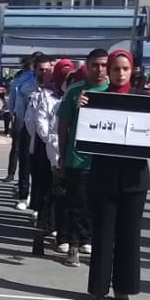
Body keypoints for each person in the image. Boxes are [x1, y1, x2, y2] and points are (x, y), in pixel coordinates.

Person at [77, 50, 150, 300]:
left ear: (132, 70)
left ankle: (123, 288)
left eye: (125, 68)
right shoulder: (95, 99)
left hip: (134, 179)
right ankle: (99, 287)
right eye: (115, 68)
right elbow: (83, 132)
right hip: (104, 176)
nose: (120, 73)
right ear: (109, 71)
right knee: (103, 233)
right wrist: (82, 109)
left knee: (130, 235)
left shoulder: (144, 99)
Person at [56, 55, 105, 267]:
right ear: (88, 66)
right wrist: (62, 156)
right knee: (77, 203)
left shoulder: (115, 91)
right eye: (95, 65)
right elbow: (62, 126)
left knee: (99, 206)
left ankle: (89, 239)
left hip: (104, 161)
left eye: (104, 65)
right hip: (78, 158)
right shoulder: (75, 91)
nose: (100, 69)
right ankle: (73, 245)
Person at [22, 55, 60, 256]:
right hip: (41, 143)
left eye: (49, 69)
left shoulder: (66, 95)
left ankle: (61, 229)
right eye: (41, 69)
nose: (45, 73)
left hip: (61, 149)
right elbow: (32, 119)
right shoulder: (29, 89)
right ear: (35, 70)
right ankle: (42, 223)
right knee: (42, 184)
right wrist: (49, 141)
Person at [4, 54, 41, 210]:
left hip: (41, 129)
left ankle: (31, 195)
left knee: (35, 162)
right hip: (25, 124)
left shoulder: (50, 84)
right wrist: (15, 119)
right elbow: (15, 103)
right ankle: (24, 193)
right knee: (25, 158)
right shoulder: (23, 82)